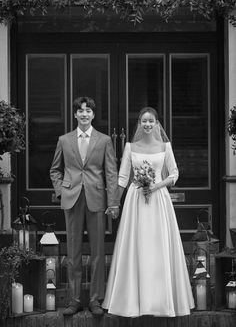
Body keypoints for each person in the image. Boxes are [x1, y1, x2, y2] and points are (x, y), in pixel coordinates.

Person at [102, 107, 194, 317]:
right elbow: (123, 177)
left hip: (159, 199)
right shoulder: (130, 146)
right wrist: (114, 202)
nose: (147, 124)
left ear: (157, 123)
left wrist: (156, 186)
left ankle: (161, 301)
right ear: (139, 123)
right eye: (144, 121)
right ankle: (131, 301)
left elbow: (174, 174)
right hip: (136, 200)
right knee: (136, 244)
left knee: (158, 244)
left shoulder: (165, 146)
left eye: (151, 121)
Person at [50, 96, 119, 317]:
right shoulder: (64, 140)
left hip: (96, 199)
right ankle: (74, 299)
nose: (84, 114)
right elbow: (55, 170)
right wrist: (62, 190)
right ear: (75, 114)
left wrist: (114, 202)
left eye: (88, 110)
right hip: (72, 198)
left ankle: (96, 299)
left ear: (93, 114)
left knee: (98, 251)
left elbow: (111, 173)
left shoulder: (104, 140)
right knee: (73, 252)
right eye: (80, 111)